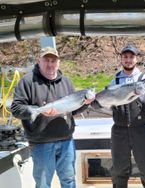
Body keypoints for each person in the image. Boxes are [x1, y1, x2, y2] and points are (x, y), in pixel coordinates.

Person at [11, 47, 94, 188]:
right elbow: (15, 108)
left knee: (69, 181)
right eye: (46, 60)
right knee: (43, 184)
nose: (50, 64)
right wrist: (34, 110)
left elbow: (72, 110)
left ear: (59, 62)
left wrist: (86, 104)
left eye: (53, 60)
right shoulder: (28, 81)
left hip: (66, 141)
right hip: (41, 143)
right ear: (39, 61)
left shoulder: (66, 82)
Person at [109, 44, 145, 188]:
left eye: (131, 57)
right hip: (119, 131)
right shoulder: (115, 81)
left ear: (136, 59)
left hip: (141, 130)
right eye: (125, 57)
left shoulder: (144, 78)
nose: (128, 60)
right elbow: (106, 102)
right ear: (121, 59)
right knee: (119, 170)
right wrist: (95, 102)